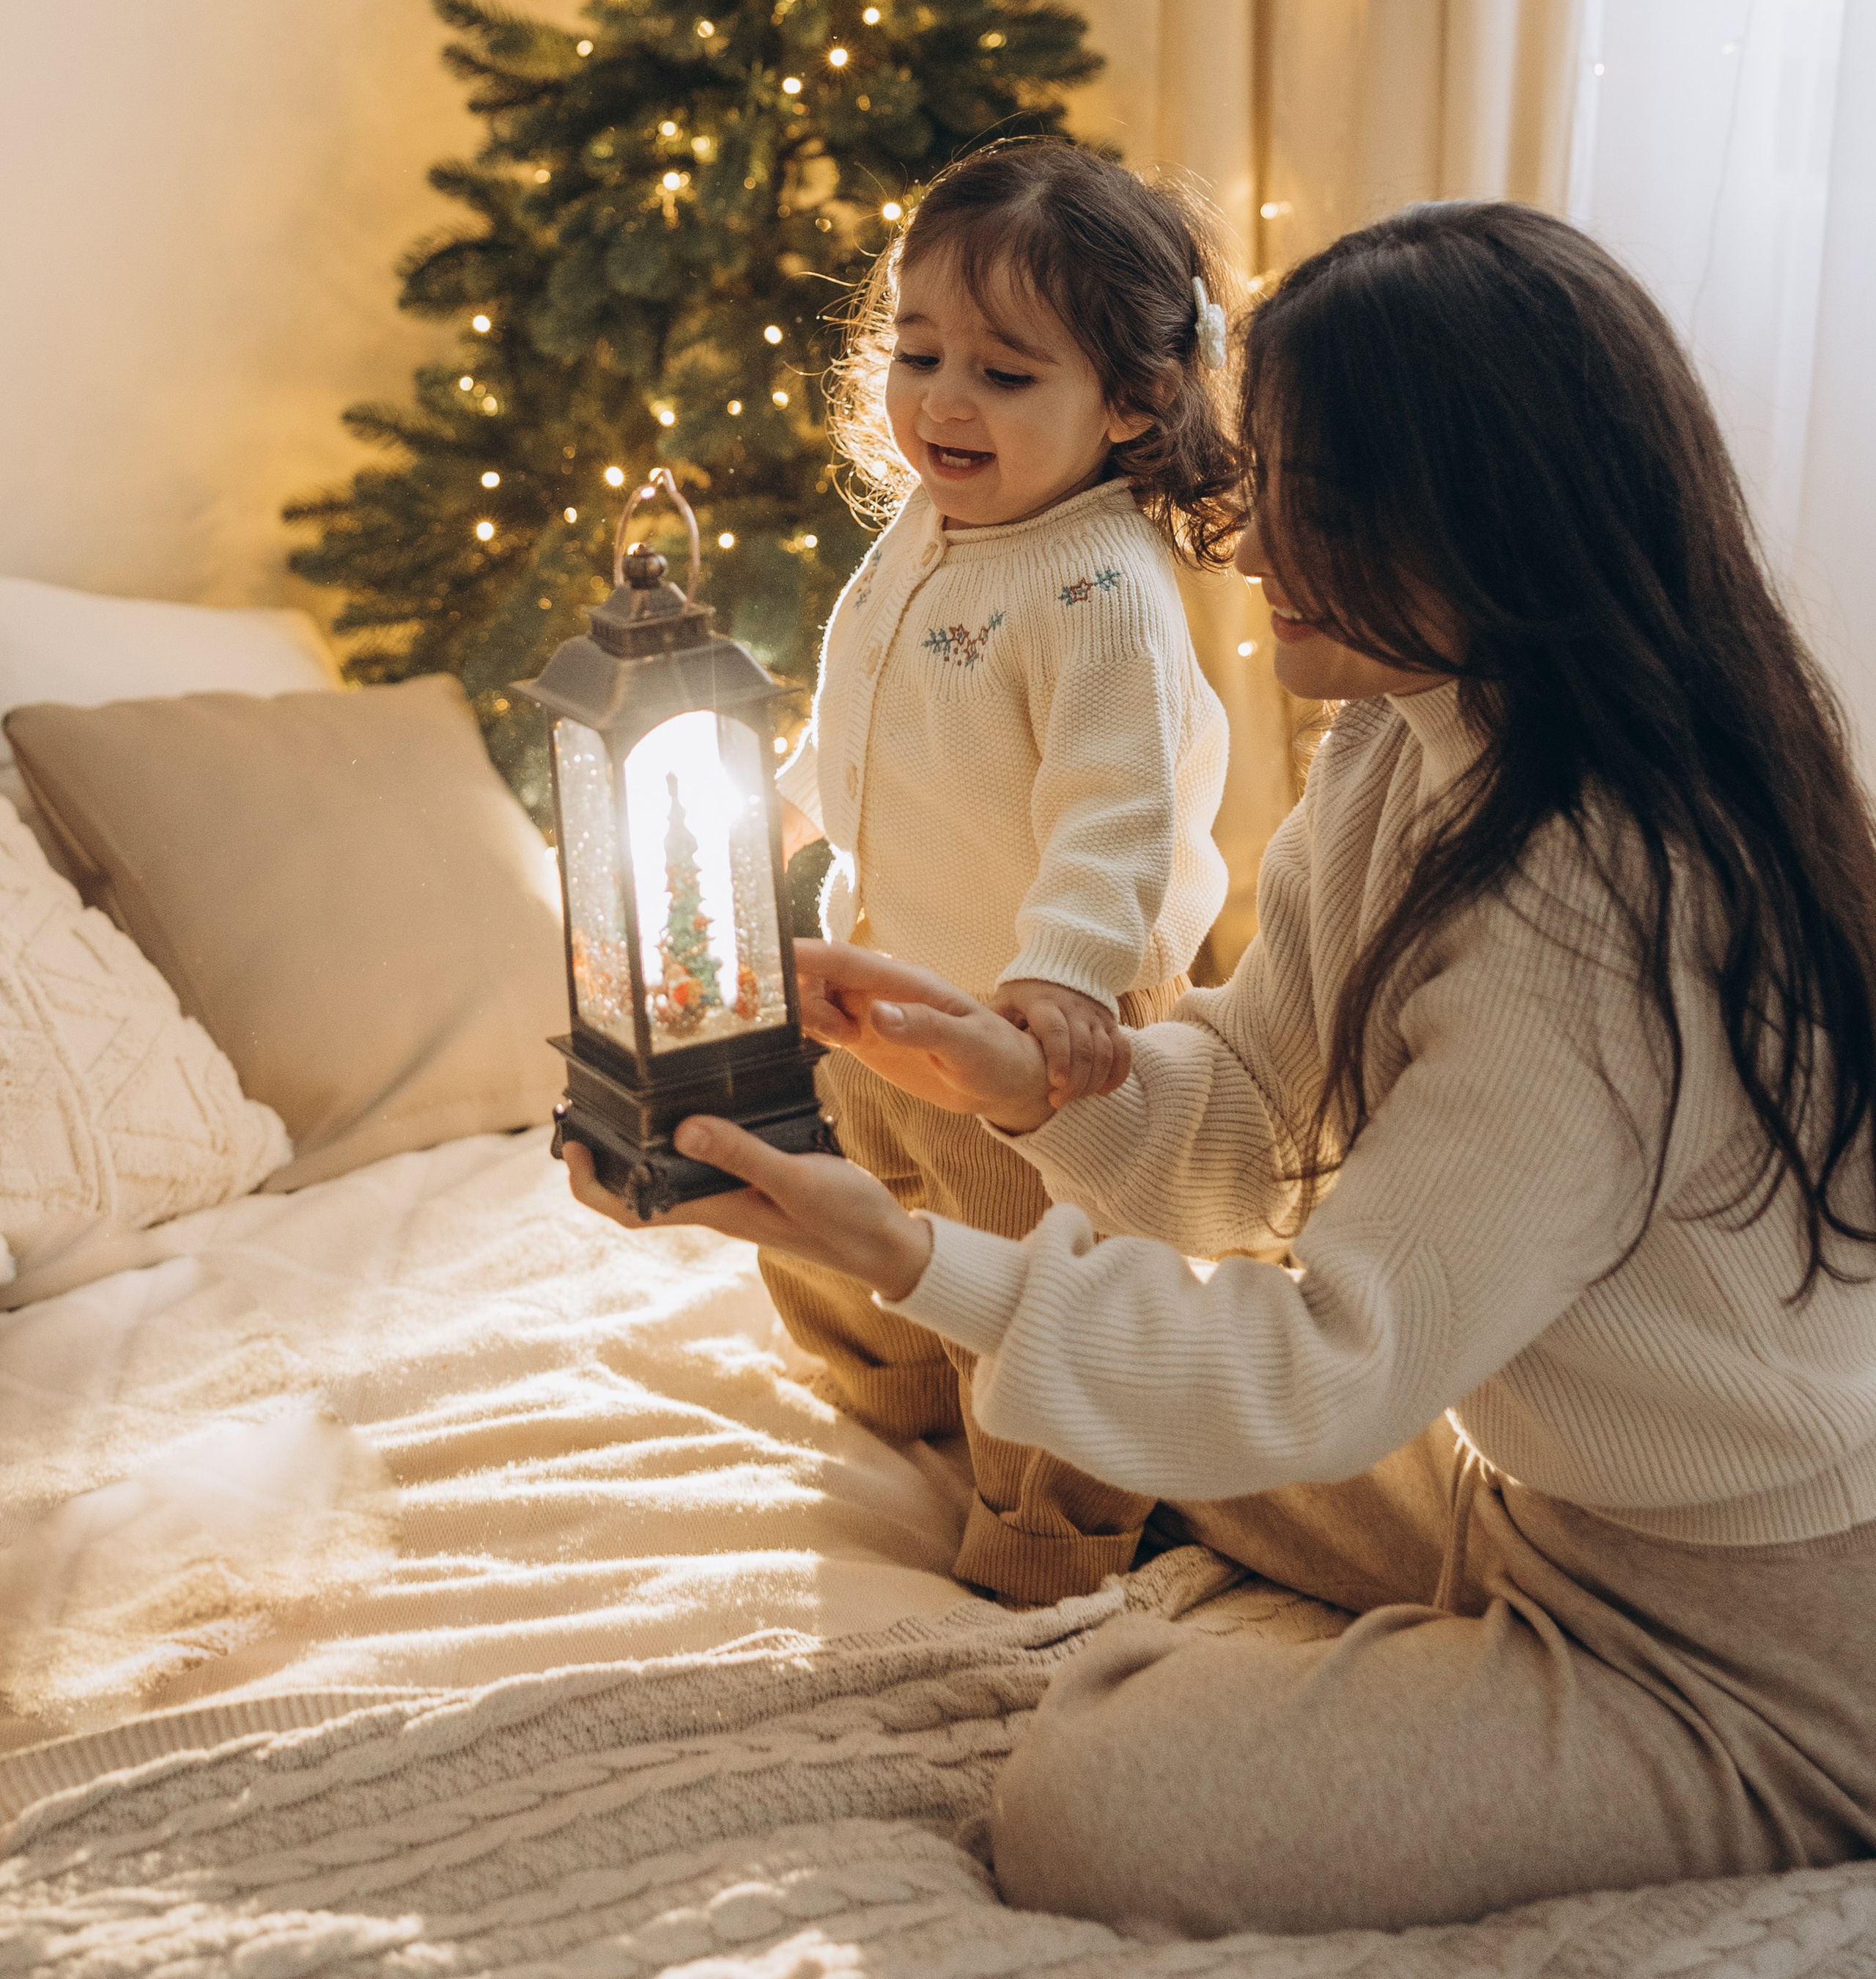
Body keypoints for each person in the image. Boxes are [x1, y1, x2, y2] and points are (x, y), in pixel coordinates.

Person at [566, 199, 1876, 1938]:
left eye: (1307, 500)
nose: (1245, 540)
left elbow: (1330, 1361)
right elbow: (1257, 1128)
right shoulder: (1400, 746)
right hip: (1529, 1495)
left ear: (1469, 518)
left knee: (1093, 1798)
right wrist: (1006, 1081)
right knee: (1140, 1408)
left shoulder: (1591, 911)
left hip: (1763, 1647)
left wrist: (897, 1250)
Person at [758, 138, 1241, 1602]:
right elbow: (869, 711)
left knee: (1039, 1273)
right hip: (889, 974)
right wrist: (787, 817)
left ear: (1133, 401)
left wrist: (1061, 981)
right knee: (851, 1189)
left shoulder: (1099, 583)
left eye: (1003, 373)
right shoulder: (929, 523)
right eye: (915, 353)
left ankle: (1054, 1528)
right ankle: (903, 1396)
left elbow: (1116, 807)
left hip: (1032, 1018)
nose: (942, 401)